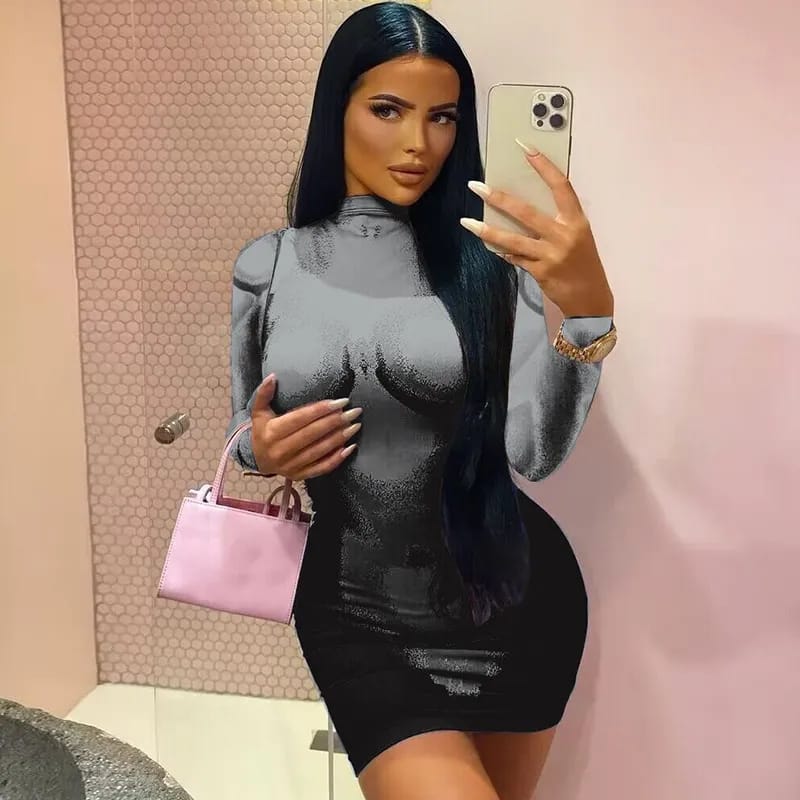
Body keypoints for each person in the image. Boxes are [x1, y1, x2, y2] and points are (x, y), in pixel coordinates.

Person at [227, 3, 616, 798]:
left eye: (442, 117)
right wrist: (257, 449)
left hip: (508, 601)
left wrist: (586, 314)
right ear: (336, 109)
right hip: (352, 613)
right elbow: (245, 426)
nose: (419, 142)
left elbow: (534, 454)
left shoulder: (488, 264)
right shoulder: (268, 266)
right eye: (388, 109)